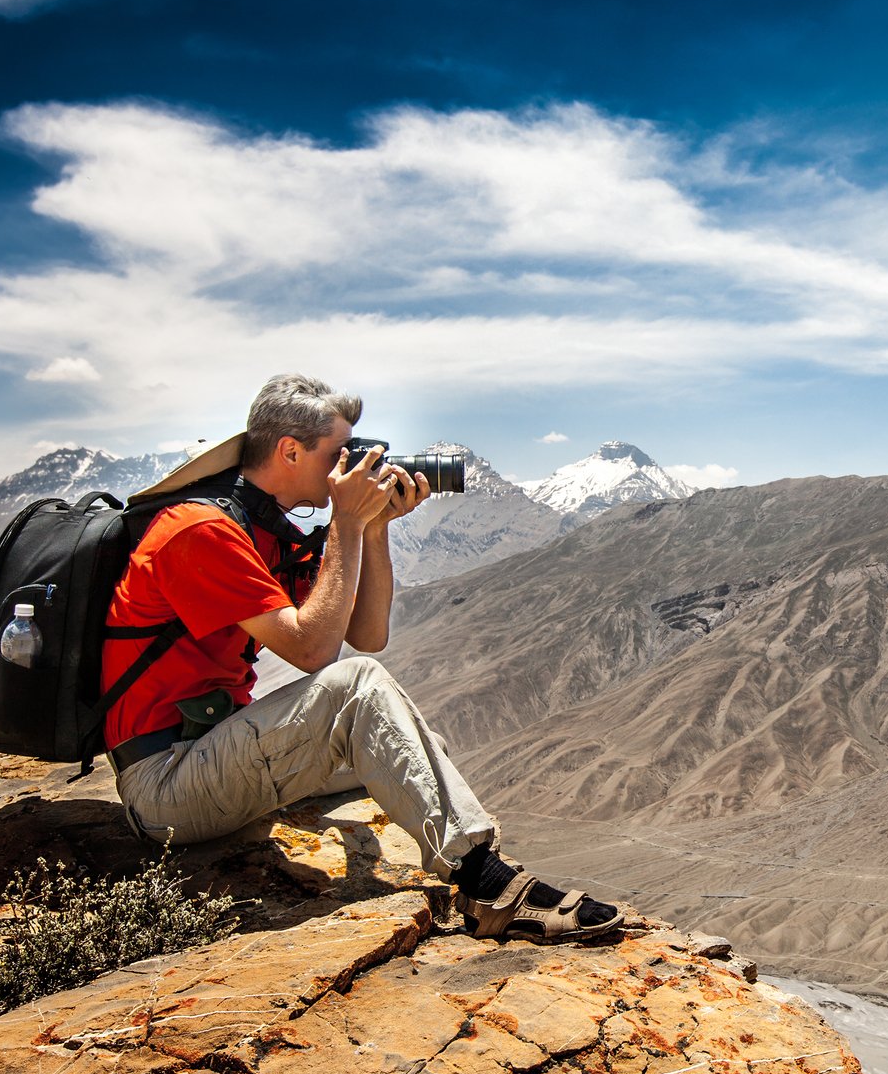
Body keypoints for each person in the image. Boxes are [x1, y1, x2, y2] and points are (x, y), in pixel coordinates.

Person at [102, 372, 622, 941]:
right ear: (290, 450)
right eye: (340, 452)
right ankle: (486, 885)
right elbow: (315, 651)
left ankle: (470, 863)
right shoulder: (200, 530)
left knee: (413, 749)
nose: (352, 465)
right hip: (168, 784)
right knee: (359, 689)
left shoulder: (265, 532)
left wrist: (372, 530)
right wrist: (346, 522)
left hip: (211, 754)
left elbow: (368, 633)